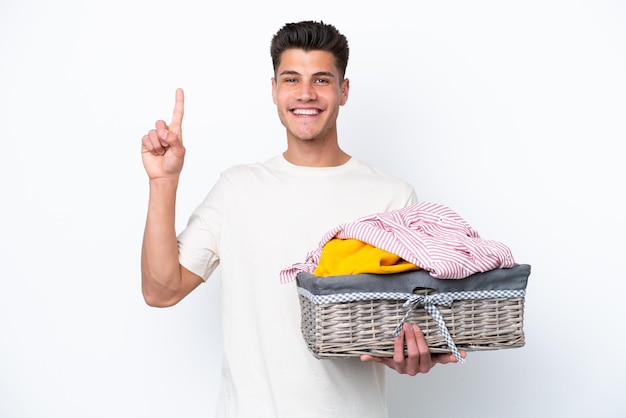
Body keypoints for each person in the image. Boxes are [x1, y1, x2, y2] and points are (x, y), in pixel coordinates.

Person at [141, 20, 463, 418]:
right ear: (274, 90)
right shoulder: (237, 188)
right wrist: (164, 181)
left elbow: (409, 327)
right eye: (291, 79)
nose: (306, 94)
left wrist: (412, 353)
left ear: (344, 91)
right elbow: (161, 291)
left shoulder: (391, 197)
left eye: (322, 80)